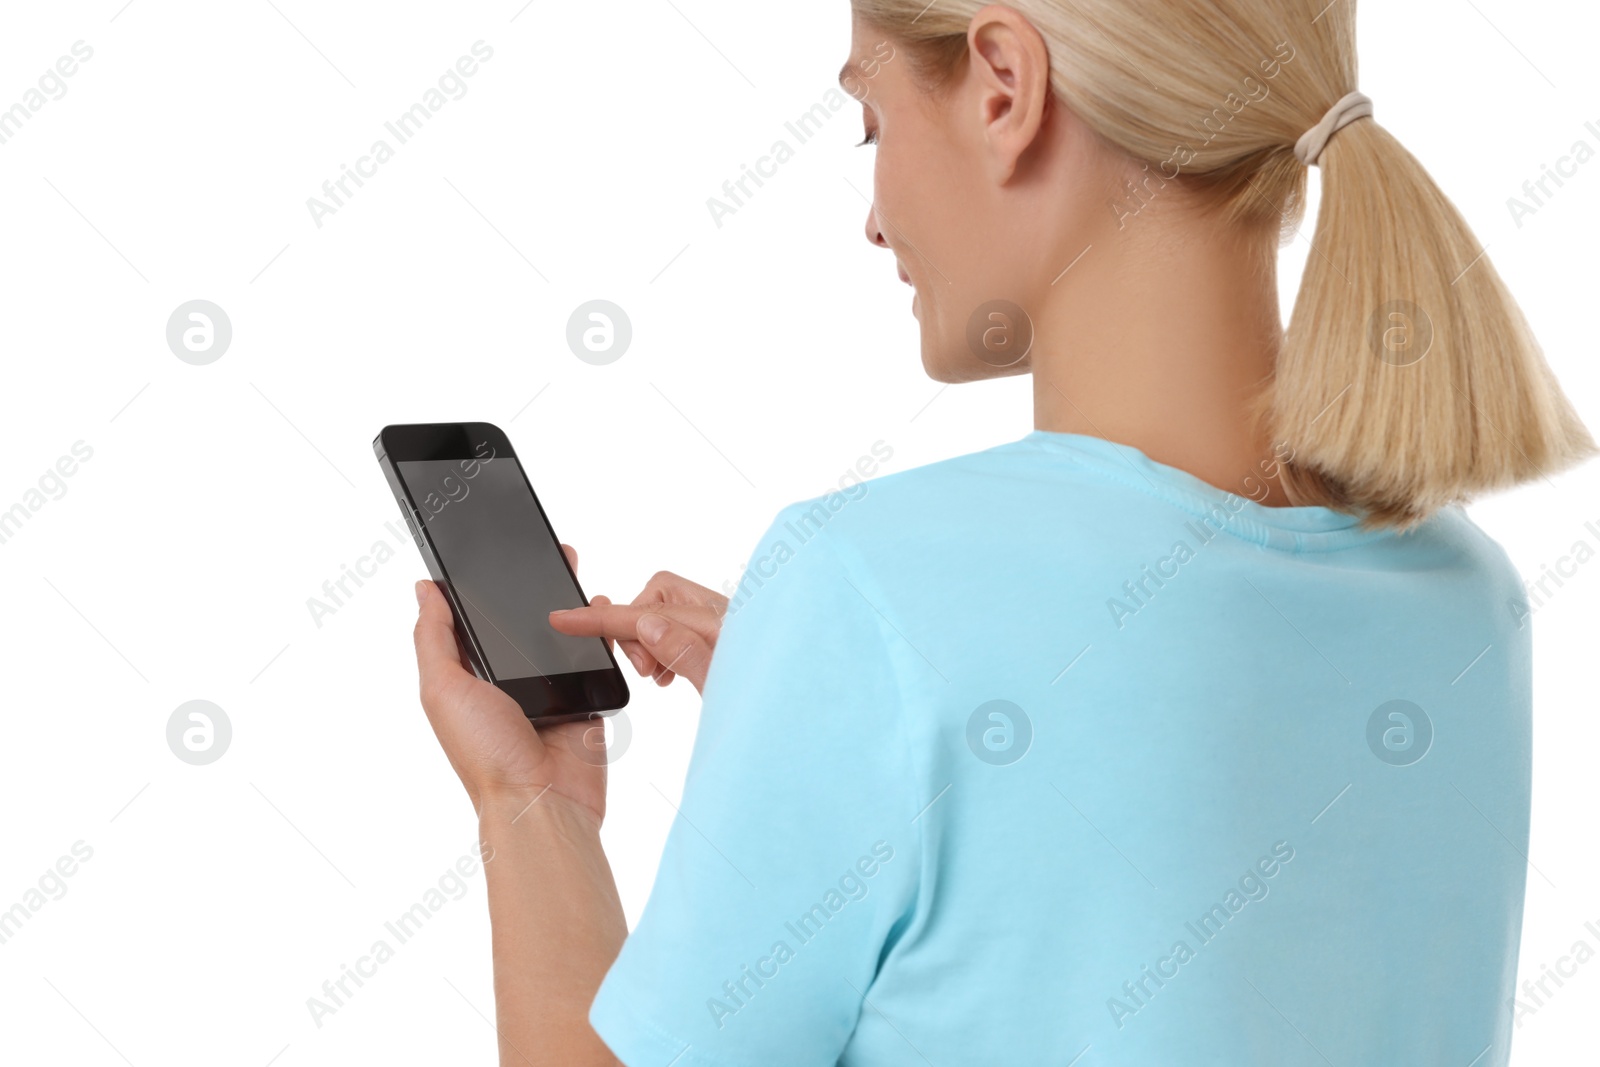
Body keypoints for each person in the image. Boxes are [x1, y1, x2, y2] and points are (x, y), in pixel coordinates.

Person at [408, 2, 1594, 1063]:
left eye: (869, 124)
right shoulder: (1464, 597)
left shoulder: (869, 582)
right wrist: (836, 731)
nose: (872, 220)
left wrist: (536, 802)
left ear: (1002, 85)